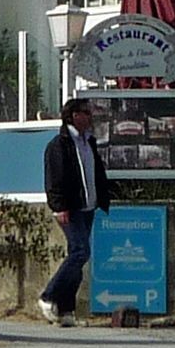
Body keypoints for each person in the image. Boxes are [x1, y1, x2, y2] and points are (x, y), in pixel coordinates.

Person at [39, 97, 112, 325]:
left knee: (76, 257)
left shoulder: (88, 142)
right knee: (81, 251)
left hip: (88, 206)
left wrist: (103, 197)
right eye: (86, 113)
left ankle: (66, 310)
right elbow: (54, 178)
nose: (90, 117)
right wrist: (59, 206)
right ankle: (48, 296)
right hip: (70, 208)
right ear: (74, 116)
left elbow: (95, 172)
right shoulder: (59, 144)